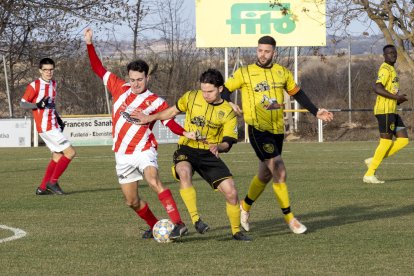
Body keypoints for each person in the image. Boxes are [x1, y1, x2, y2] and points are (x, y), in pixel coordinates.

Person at [84, 28, 191, 240]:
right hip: (122, 155)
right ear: (128, 77)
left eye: (140, 80)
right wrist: (89, 43)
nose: (135, 84)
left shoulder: (156, 102)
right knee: (131, 201)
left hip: (144, 149)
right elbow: (97, 67)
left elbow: (169, 122)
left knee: (153, 181)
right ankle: (155, 226)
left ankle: (178, 223)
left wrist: (186, 132)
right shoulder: (118, 87)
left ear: (147, 77)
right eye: (132, 79)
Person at [222, 35, 333, 234]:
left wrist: (316, 111)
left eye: (266, 51)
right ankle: (290, 219)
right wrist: (229, 102)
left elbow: (297, 93)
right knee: (280, 171)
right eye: (259, 50)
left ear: (274, 52)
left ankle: (244, 207)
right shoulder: (245, 72)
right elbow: (224, 91)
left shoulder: (282, 73)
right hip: (257, 129)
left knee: (265, 175)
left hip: (277, 131)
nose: (262, 54)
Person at [132, 69, 252, 241]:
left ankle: (236, 231)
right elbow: (171, 112)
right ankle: (196, 220)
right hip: (186, 148)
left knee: (231, 192)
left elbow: (229, 142)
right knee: (184, 172)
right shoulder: (191, 97)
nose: (205, 95)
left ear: (220, 89)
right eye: (203, 90)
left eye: (209, 91)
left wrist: (218, 146)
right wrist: (149, 118)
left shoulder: (227, 112)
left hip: (210, 153)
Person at [20, 58, 75, 195]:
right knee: (70, 152)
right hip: (46, 126)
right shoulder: (35, 85)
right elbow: (22, 103)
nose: (48, 72)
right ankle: (52, 182)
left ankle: (43, 188)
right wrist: (37, 105)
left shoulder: (54, 84)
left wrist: (58, 118)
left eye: (51, 69)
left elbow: (51, 105)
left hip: (53, 124)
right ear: (40, 70)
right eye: (45, 70)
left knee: (57, 156)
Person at [363, 45, 409, 184]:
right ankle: (369, 174)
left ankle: (374, 160)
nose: (393, 55)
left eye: (394, 53)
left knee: (403, 140)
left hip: (392, 110)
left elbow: (390, 91)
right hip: (385, 111)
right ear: (384, 55)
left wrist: (398, 99)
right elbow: (377, 88)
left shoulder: (392, 69)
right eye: (389, 53)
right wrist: (396, 98)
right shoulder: (384, 68)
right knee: (386, 142)